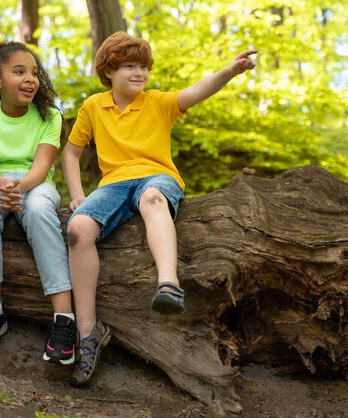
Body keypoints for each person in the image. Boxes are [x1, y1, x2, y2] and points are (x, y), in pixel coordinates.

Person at [62, 31, 257, 386]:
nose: (139, 73)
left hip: (157, 177)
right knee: (77, 229)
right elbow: (71, 151)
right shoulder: (93, 106)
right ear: (108, 71)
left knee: (153, 200)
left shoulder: (158, 103)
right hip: (112, 184)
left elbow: (198, 90)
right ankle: (88, 331)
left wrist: (232, 70)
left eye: (144, 67)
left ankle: (168, 284)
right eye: (130, 67)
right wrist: (77, 194)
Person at [0, 42, 76, 364]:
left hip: (36, 183)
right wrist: (2, 186)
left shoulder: (49, 116)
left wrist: (21, 187)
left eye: (34, 73)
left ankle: (64, 319)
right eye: (19, 72)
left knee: (39, 210)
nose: (30, 79)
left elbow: (42, 167)